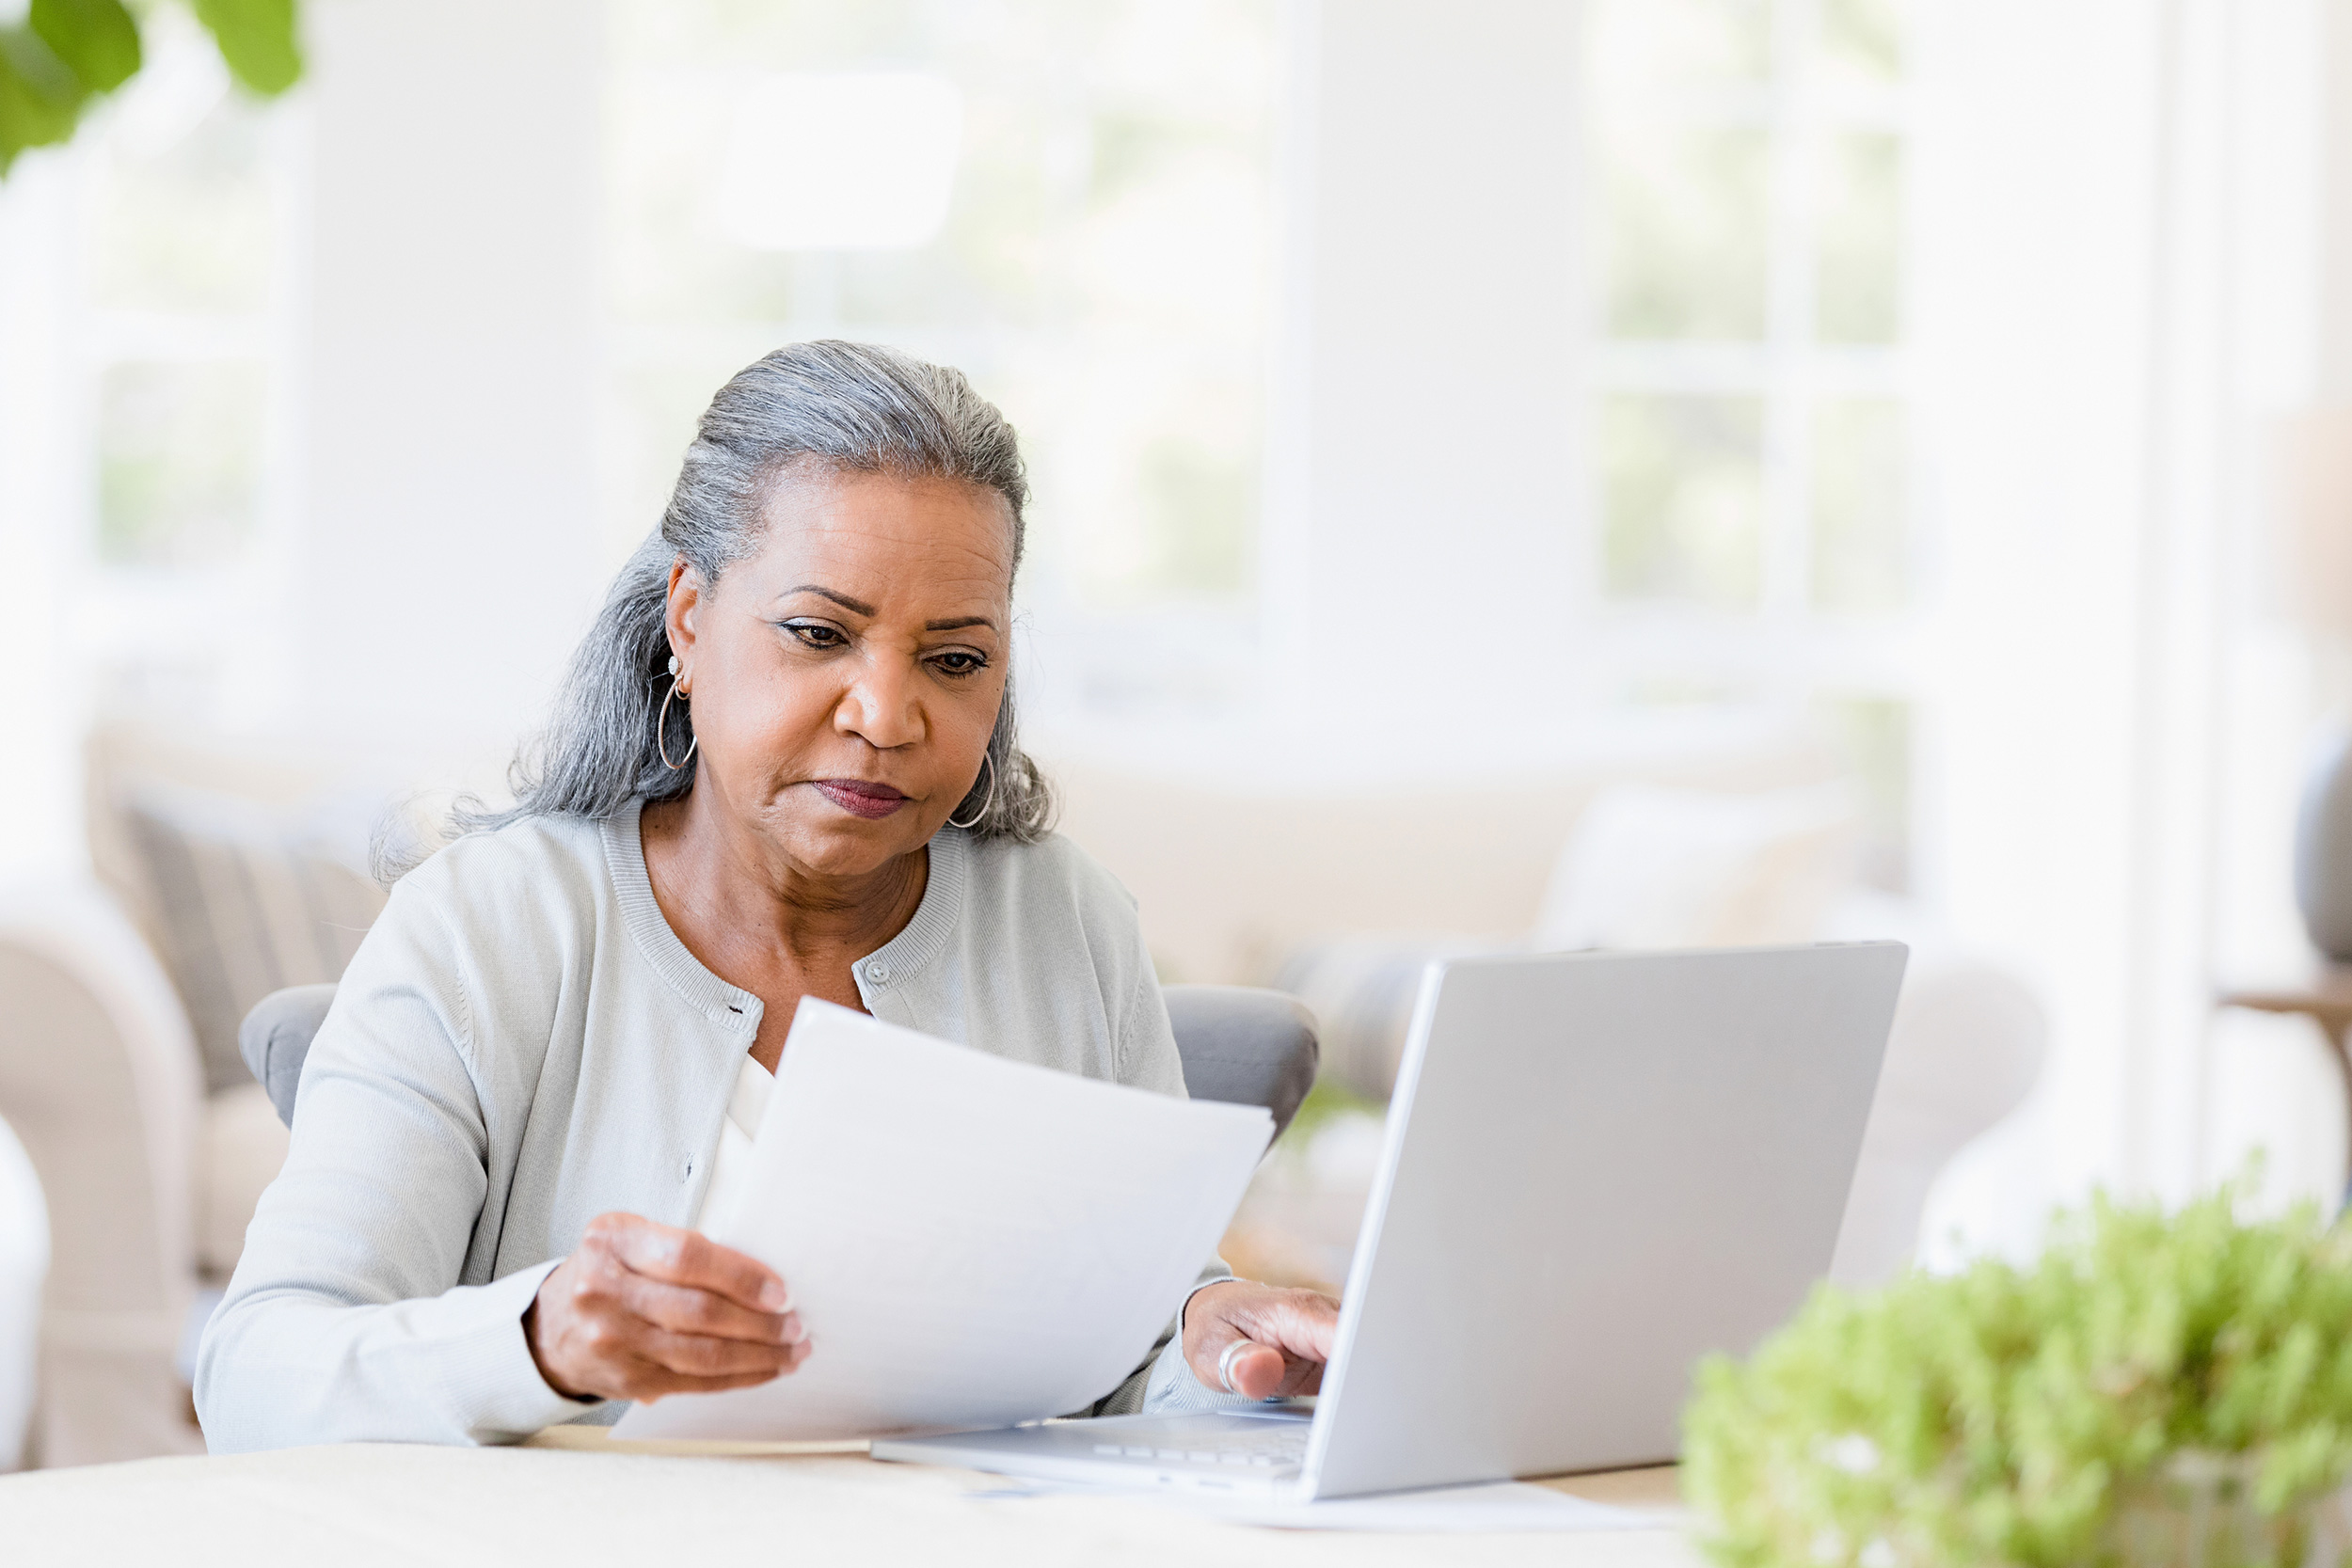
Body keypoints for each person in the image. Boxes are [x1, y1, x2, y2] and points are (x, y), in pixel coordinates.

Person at [195, 341, 1338, 1451]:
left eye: (954, 659)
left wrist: (1208, 1344)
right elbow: (258, 1375)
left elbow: (1127, 1354)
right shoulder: (489, 923)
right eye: (817, 633)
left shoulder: (1065, 918)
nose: (886, 715)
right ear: (688, 619)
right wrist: (536, 1343)